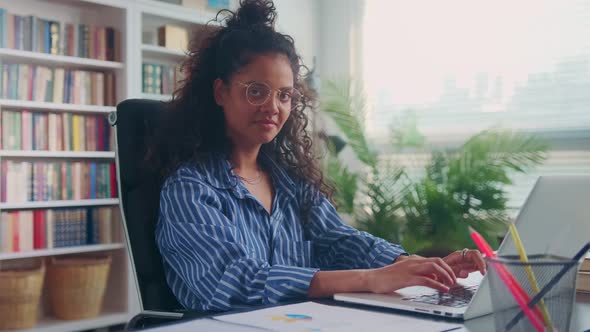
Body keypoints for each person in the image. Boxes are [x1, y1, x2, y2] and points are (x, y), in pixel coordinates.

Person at [151, 0, 486, 313]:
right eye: (256, 91)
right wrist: (371, 278)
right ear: (220, 92)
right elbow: (233, 281)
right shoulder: (190, 189)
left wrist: (415, 265)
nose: (273, 107)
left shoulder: (289, 184)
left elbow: (341, 242)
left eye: (284, 95)